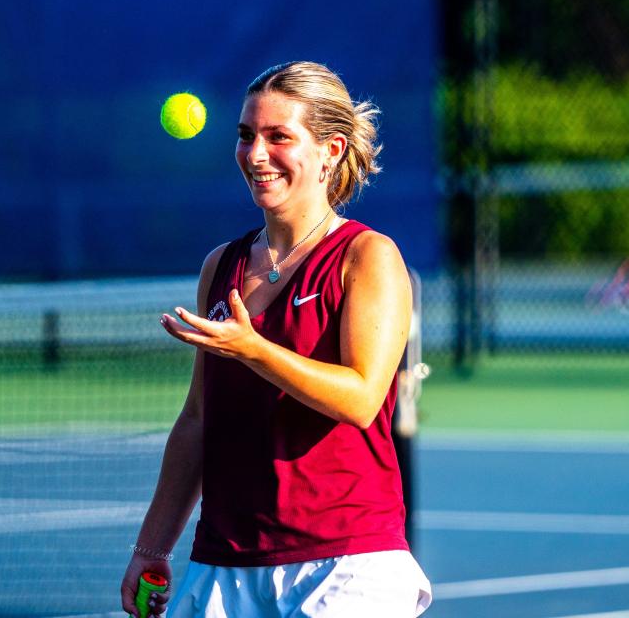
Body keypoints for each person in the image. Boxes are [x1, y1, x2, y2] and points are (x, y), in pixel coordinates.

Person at [120, 61, 432, 618]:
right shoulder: (221, 265)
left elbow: (361, 398)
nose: (255, 155)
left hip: (345, 563)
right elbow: (197, 419)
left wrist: (255, 350)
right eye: (246, 136)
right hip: (224, 563)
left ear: (331, 150)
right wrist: (152, 548)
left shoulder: (367, 256)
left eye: (278, 137)